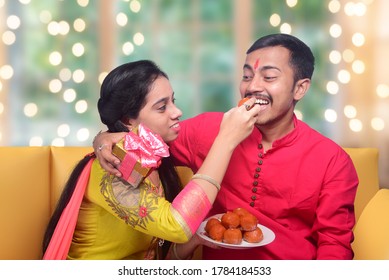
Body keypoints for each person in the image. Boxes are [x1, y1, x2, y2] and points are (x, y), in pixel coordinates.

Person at [93, 34, 359, 260]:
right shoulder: (209, 129)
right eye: (247, 75)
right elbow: (146, 137)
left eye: (268, 77)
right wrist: (105, 138)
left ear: (300, 89)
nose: (253, 86)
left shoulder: (333, 161)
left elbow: (334, 247)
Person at [42, 60, 262, 260]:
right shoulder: (112, 166)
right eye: (162, 107)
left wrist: (195, 241)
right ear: (128, 119)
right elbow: (178, 225)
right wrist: (226, 139)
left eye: (173, 101)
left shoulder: (158, 152)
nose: (178, 112)